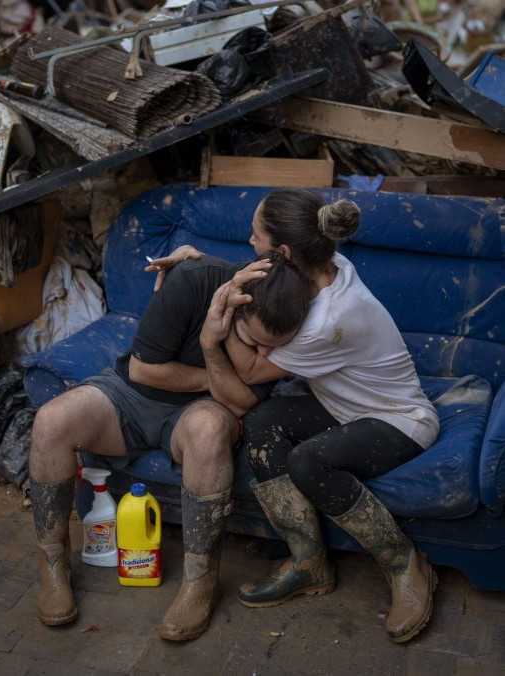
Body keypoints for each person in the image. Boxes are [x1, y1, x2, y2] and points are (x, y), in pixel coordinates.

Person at [146, 189, 440, 643]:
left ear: (281, 252)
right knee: (264, 424)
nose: (248, 241)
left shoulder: (329, 319)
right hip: (342, 407)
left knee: (308, 461)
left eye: (255, 235)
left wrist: (219, 321)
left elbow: (248, 372)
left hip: (398, 418)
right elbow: (263, 278)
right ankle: (308, 564)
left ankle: (405, 564)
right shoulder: (326, 265)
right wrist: (197, 262)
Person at [29, 253, 313, 642]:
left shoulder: (291, 316)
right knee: (51, 421)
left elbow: (242, 403)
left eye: (273, 350)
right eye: (254, 343)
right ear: (234, 305)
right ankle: (52, 563)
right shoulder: (194, 281)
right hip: (131, 394)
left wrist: (212, 347)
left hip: (199, 412)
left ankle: (200, 581)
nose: (263, 358)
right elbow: (143, 371)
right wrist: (218, 377)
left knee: (210, 427)